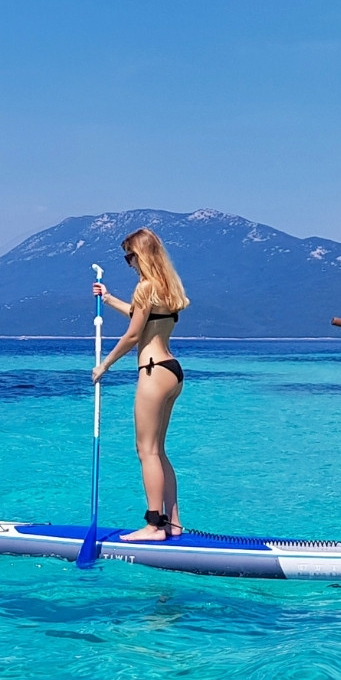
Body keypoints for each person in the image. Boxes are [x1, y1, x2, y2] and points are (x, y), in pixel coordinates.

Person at [92, 227, 191, 542]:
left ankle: (153, 526)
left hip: (151, 371)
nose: (129, 262)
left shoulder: (145, 287)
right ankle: (173, 523)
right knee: (159, 450)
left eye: (129, 256)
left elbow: (134, 334)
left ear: (141, 255)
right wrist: (108, 299)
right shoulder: (167, 287)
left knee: (145, 450)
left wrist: (104, 365)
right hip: (172, 371)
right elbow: (142, 318)